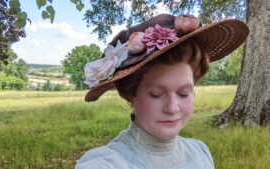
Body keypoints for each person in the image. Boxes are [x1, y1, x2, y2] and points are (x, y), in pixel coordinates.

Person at [75, 14, 249, 169]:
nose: (173, 108)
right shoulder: (105, 163)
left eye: (183, 93)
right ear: (130, 94)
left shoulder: (200, 152)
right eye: (156, 94)